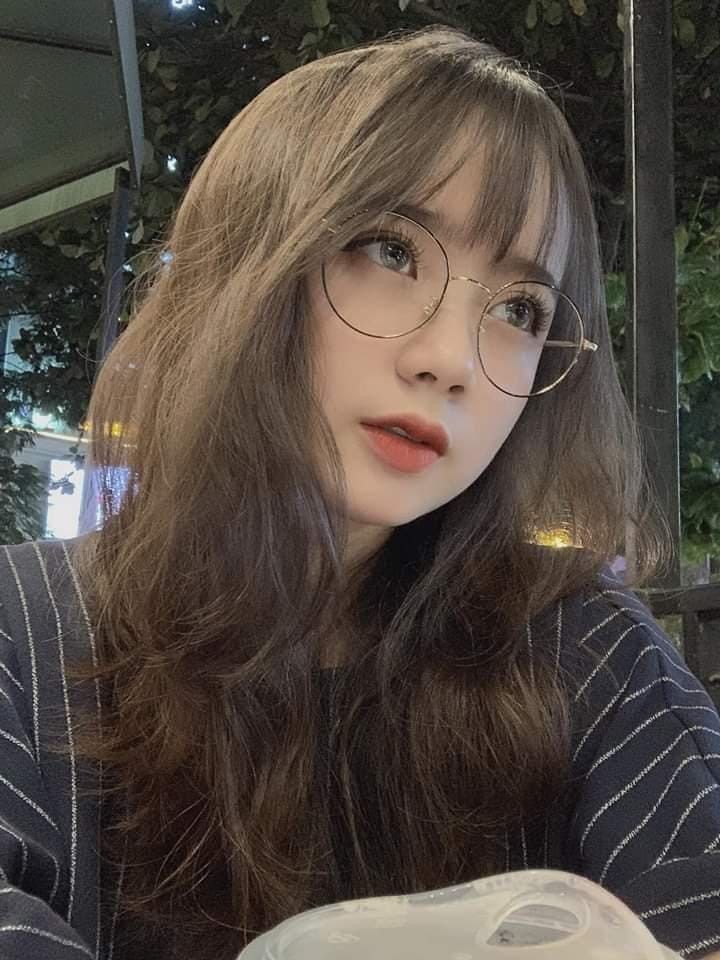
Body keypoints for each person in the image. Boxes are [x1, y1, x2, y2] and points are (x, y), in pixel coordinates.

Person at [0, 25, 718, 960]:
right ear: (241, 262)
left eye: (518, 310)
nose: (451, 360)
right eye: (389, 249)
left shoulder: (590, 656)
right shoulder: (24, 639)